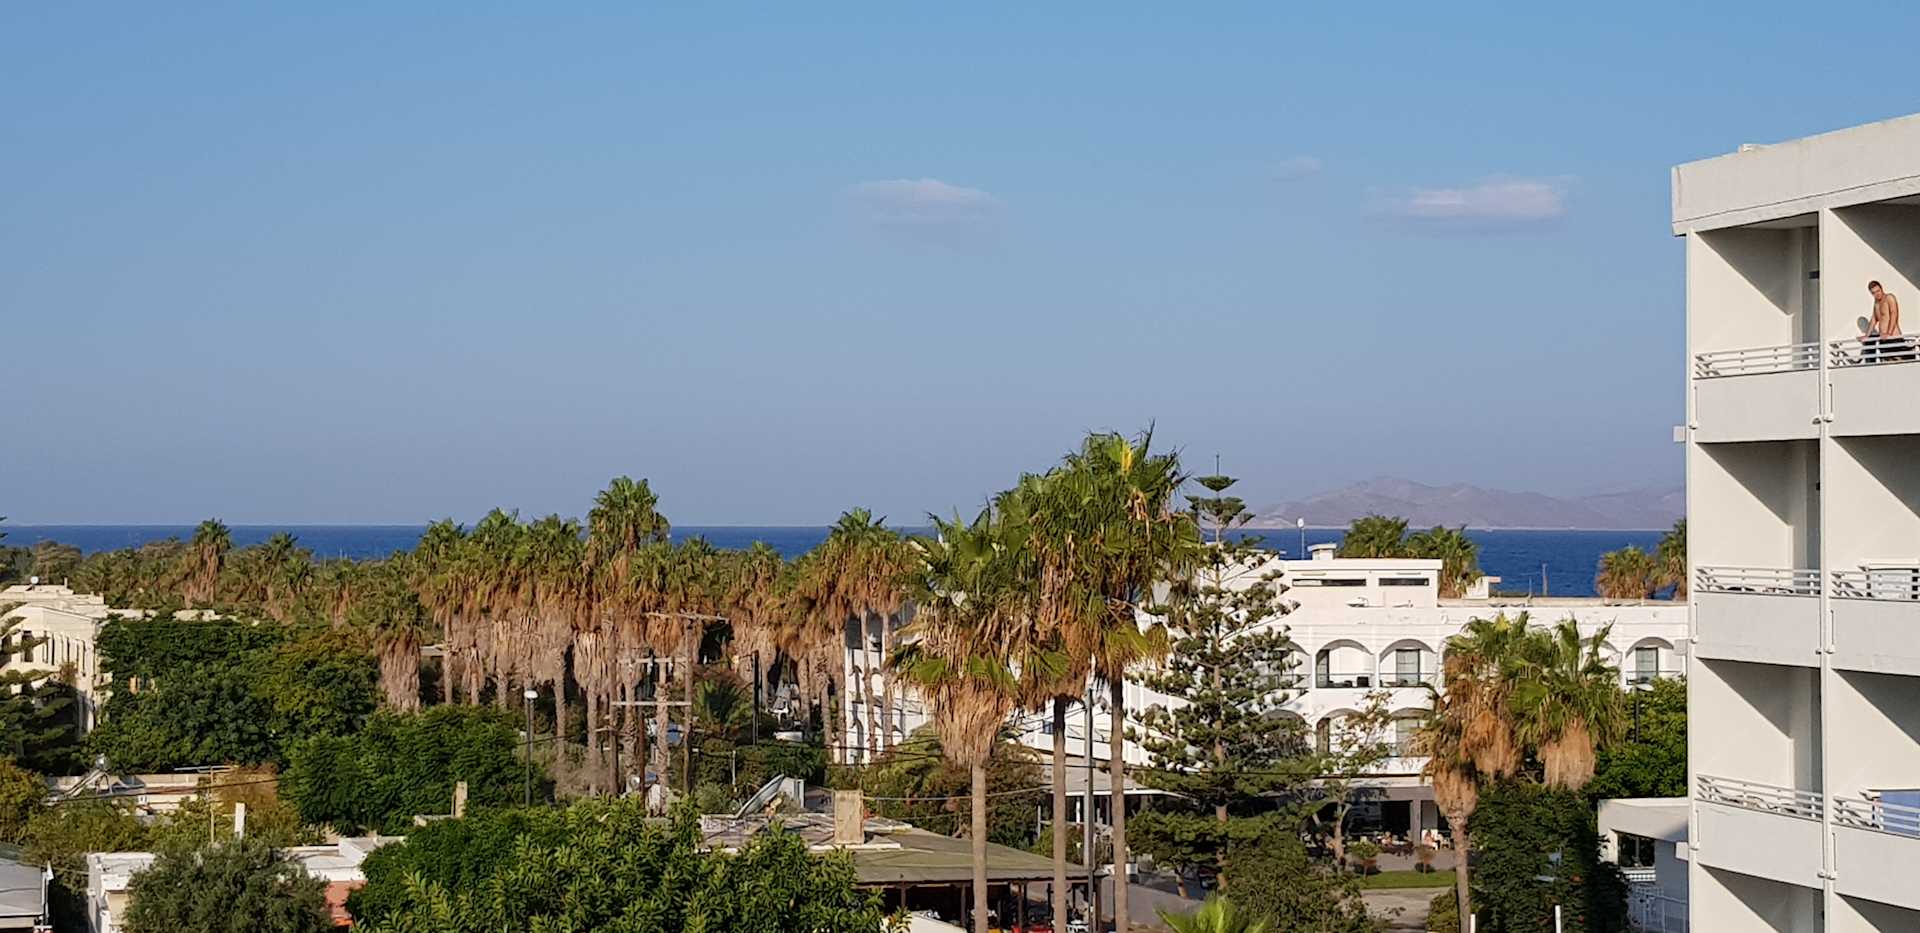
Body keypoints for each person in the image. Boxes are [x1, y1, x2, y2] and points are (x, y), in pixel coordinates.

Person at [1865, 280, 1908, 362]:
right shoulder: (1876, 303)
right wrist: (1866, 335)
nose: (1877, 294)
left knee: (1899, 362)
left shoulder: (1889, 298)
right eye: (1873, 293)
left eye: (1878, 291)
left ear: (1881, 288)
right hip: (1884, 339)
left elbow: (1894, 315)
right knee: (1882, 359)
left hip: (1893, 337)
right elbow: (1874, 319)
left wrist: (1889, 333)